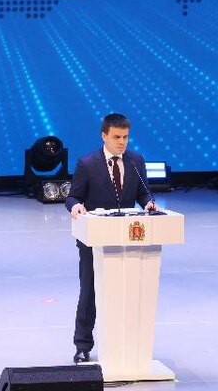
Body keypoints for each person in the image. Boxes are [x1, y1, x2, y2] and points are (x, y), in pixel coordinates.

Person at [64, 113, 157, 363]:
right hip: (94, 239)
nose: (122, 142)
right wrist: (75, 207)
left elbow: (144, 193)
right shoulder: (87, 163)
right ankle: (83, 345)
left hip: (127, 238)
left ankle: (125, 345)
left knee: (127, 293)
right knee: (90, 293)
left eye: (125, 137)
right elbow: (73, 197)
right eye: (116, 137)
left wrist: (149, 203)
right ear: (103, 136)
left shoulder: (136, 160)